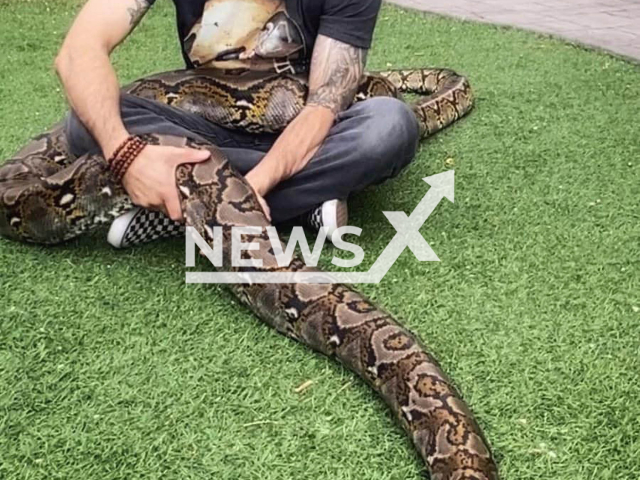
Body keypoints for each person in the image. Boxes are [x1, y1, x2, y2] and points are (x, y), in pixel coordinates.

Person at [56, 0, 420, 248]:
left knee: (387, 127)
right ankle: (305, 203)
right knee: (87, 124)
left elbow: (322, 107)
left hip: (304, 139)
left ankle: (183, 207)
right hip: (203, 131)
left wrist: (249, 190)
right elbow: (79, 50)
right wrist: (124, 153)